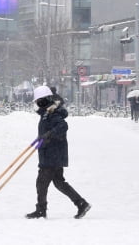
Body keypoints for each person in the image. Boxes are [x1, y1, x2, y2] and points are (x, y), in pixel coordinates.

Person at [26, 85, 91, 219]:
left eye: (38, 100)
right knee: (59, 182)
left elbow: (63, 126)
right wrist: (43, 136)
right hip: (51, 153)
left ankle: (41, 210)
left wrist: (49, 134)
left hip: (52, 154)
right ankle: (81, 203)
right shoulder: (47, 112)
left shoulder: (52, 113)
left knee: (42, 182)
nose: (37, 103)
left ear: (44, 100)